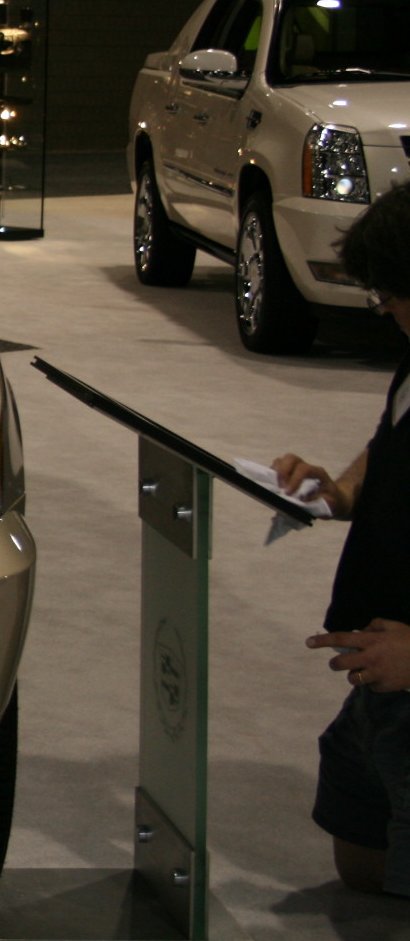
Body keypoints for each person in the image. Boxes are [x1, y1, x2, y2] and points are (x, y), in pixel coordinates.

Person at [273, 180, 410, 897]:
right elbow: (388, 448)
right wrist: (339, 492)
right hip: (380, 675)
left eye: (391, 289)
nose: (382, 306)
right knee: (362, 859)